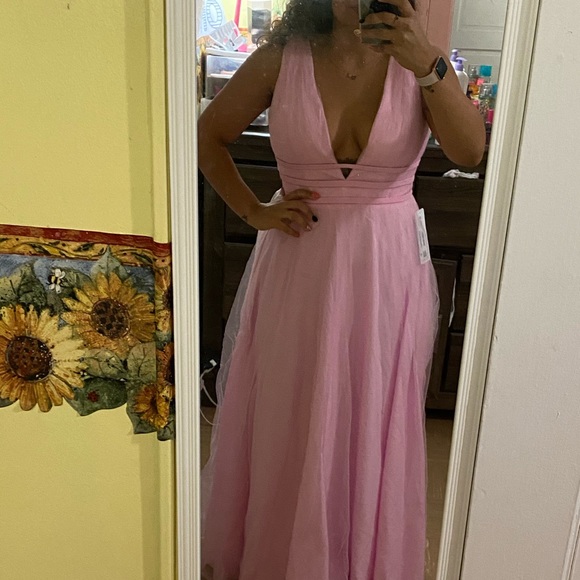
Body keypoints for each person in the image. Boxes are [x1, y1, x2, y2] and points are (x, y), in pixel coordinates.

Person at [198, 0, 485, 578]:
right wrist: (253, 211)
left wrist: (427, 65)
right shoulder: (282, 57)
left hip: (385, 271)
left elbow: (470, 152)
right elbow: (208, 135)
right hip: (299, 266)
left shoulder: (419, 62)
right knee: (289, 409)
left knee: (371, 410)